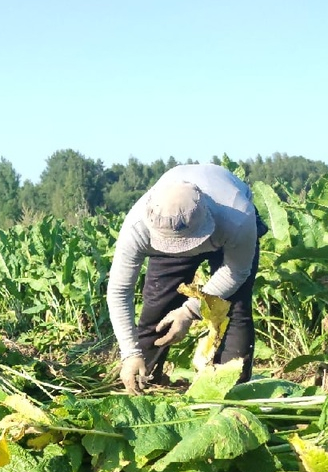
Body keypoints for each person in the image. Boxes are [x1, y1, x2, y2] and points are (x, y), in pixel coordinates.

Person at [106, 163, 265, 393]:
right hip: (167, 229)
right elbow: (119, 290)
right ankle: (142, 383)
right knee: (158, 308)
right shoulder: (138, 225)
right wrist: (130, 352)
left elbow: (236, 271)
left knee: (233, 308)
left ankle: (230, 392)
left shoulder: (238, 215)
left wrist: (189, 311)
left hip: (224, 235)